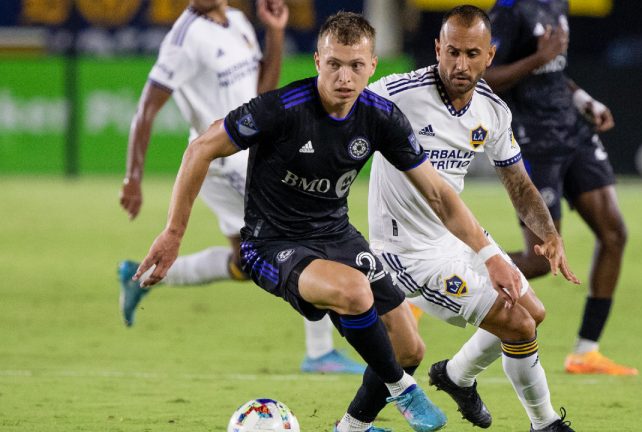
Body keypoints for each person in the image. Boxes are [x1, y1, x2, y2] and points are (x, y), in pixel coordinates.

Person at [130, 11, 526, 432]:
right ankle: (401, 388)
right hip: (271, 243)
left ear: (372, 66)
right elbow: (200, 149)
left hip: (336, 236)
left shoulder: (381, 117)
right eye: (334, 64)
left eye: (356, 66)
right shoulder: (282, 108)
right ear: (318, 61)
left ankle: (350, 428)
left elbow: (440, 195)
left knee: (409, 347)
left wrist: (489, 255)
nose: (345, 77)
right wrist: (174, 232)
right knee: (356, 294)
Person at [117, 0, 364, 375]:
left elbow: (261, 89)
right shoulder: (183, 38)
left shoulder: (236, 21)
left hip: (249, 152)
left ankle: (144, 276)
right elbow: (146, 109)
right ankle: (319, 352)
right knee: (305, 231)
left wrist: (276, 32)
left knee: (243, 264)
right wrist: (132, 176)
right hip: (223, 159)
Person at [365, 5, 579, 432]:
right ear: (437, 49)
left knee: (532, 313)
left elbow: (518, 184)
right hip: (405, 253)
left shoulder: (493, 111)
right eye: (453, 52)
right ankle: (546, 425)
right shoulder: (395, 94)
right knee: (517, 324)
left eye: (472, 54)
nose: (461, 64)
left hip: (455, 238)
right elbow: (340, 118)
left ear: (490, 56)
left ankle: (456, 376)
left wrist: (549, 234)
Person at [484, 0, 636, 376]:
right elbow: (483, 77)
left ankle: (586, 352)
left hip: (573, 131)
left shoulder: (557, 3)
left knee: (614, 234)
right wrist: (537, 58)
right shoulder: (509, 10)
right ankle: (439, 278)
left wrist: (584, 99)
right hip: (534, 140)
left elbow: (554, 70)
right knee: (538, 259)